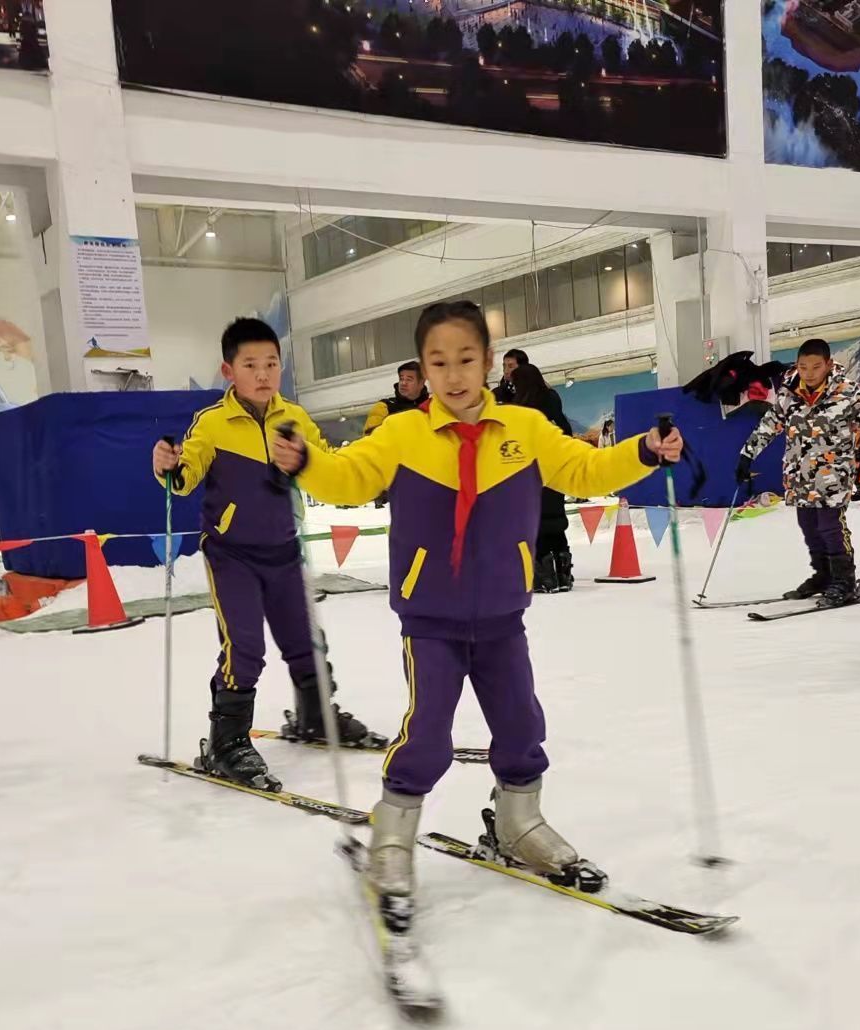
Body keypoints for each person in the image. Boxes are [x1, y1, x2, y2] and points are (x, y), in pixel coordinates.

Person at [267, 300, 682, 917]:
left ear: (488, 362)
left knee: (520, 725)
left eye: (466, 359)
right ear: (423, 372)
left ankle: (519, 822)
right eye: (439, 362)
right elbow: (350, 477)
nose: (454, 374)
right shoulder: (403, 433)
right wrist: (308, 464)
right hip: (430, 619)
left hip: (501, 618)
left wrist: (643, 452)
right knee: (428, 733)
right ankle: (392, 834)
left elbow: (586, 470)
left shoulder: (524, 428)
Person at [153, 317, 380, 790]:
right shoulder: (213, 423)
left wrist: (318, 463)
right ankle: (227, 740)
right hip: (231, 554)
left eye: (271, 363)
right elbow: (186, 474)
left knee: (306, 641)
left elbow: (327, 465)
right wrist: (170, 468)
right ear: (228, 370)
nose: (262, 373)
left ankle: (316, 714)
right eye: (250, 364)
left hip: (284, 549)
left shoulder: (294, 419)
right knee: (245, 647)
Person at [735, 337, 860, 605]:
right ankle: (823, 574)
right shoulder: (788, 393)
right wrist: (748, 454)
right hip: (799, 473)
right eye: (803, 367)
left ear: (828, 364)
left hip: (833, 473)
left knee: (830, 525)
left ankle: (844, 580)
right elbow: (769, 425)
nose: (809, 373)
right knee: (808, 525)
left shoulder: (847, 390)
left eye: (816, 367)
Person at [509, 363, 577, 593]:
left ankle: (544, 574)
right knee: (556, 523)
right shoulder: (552, 402)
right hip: (555, 471)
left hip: (531, 474)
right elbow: (566, 432)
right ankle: (563, 573)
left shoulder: (523, 409)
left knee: (536, 524)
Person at [363, 361, 429, 436]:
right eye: (401, 379)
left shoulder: (430, 408)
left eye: (409, 379)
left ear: (421, 383)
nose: (403, 383)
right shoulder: (384, 407)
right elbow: (369, 439)